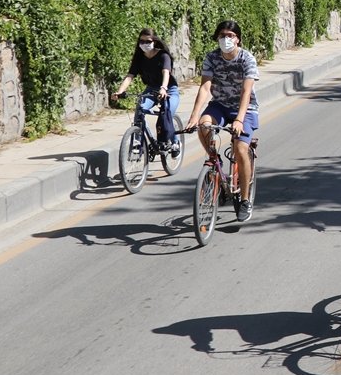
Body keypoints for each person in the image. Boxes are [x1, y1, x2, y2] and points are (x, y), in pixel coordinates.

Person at [184, 20, 261, 223]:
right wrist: (194, 115)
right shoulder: (211, 57)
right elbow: (205, 87)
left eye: (230, 35)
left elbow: (246, 91)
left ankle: (245, 200)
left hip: (245, 108)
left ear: (238, 39)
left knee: (240, 149)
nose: (226, 39)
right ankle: (214, 164)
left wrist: (239, 119)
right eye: (222, 35)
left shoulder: (247, 59)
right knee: (203, 125)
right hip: (220, 104)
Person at [111, 27, 181, 156]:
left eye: (148, 41)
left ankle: (175, 142)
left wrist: (164, 88)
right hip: (151, 89)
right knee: (140, 109)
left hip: (169, 90)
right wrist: (119, 92)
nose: (144, 44)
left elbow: (166, 73)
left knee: (166, 114)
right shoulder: (139, 58)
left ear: (154, 41)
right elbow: (130, 76)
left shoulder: (163, 56)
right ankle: (137, 142)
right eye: (142, 41)